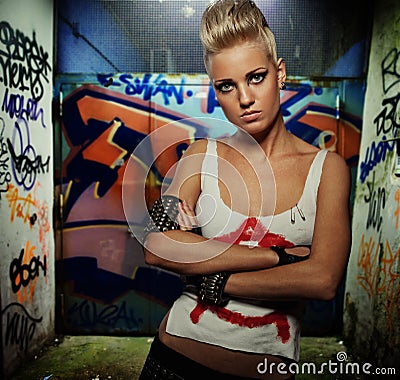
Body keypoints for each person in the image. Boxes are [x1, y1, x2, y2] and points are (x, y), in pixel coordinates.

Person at [138, 0, 351, 379]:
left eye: (256, 77)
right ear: (215, 92)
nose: (245, 99)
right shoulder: (202, 156)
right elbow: (157, 248)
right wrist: (280, 257)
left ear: (279, 73)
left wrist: (211, 277)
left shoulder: (326, 169)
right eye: (227, 86)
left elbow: (322, 280)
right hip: (172, 359)